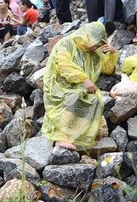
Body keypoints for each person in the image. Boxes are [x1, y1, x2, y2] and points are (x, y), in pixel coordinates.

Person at [42, 21, 118, 150]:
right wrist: (84, 79)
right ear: (86, 35)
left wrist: (112, 52)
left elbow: (107, 69)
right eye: (94, 44)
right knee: (76, 96)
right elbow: (64, 65)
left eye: (97, 45)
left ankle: (79, 136)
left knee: (95, 100)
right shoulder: (66, 43)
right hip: (60, 84)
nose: (95, 47)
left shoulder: (93, 51)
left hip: (80, 85)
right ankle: (63, 136)